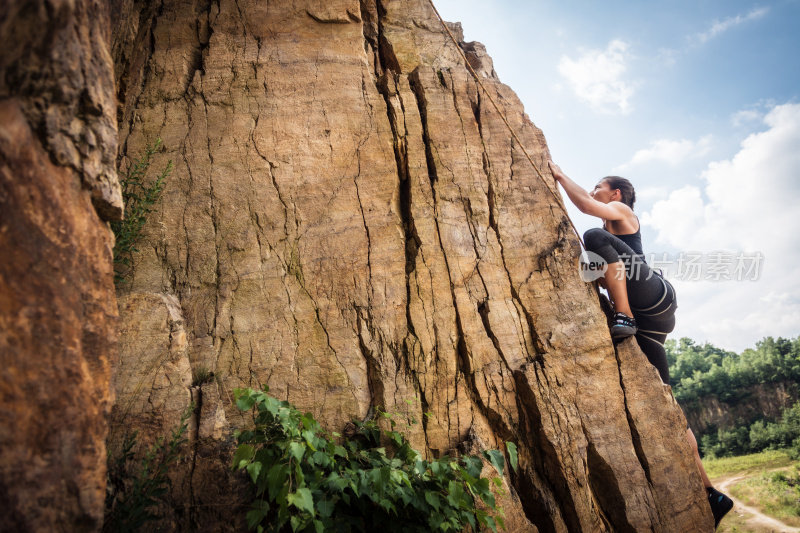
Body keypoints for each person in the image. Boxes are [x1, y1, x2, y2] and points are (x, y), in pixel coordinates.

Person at [548, 160, 733, 529]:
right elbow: (601, 265)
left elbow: (585, 204)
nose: (594, 190)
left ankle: (624, 315)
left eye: (599, 186)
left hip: (653, 299)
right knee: (668, 407)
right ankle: (712, 493)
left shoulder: (621, 212)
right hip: (654, 325)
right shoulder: (611, 243)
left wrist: (556, 172)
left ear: (615, 194)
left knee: (593, 236)